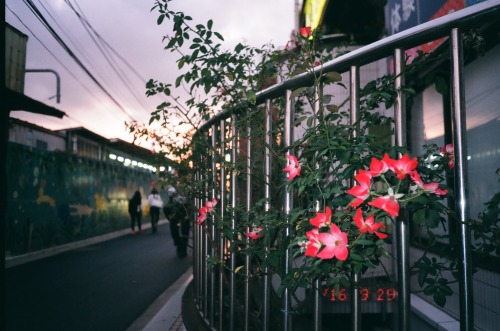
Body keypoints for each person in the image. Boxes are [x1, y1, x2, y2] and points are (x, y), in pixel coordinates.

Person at [163, 190, 191, 258]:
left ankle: (183, 250)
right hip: (175, 220)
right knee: (176, 234)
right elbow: (166, 210)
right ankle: (180, 248)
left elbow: (188, 209)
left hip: (184, 220)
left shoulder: (183, 200)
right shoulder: (170, 204)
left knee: (184, 235)